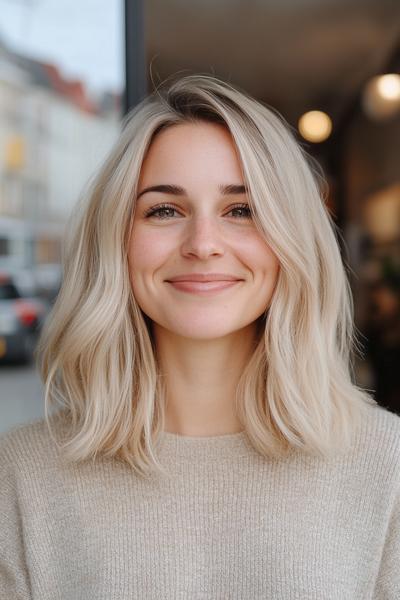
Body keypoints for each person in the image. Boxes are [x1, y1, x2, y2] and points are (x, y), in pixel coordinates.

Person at [1, 74, 399, 599]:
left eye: (242, 210)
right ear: (117, 241)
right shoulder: (19, 479)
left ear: (292, 241)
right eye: (164, 210)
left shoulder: (387, 469)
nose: (203, 244)